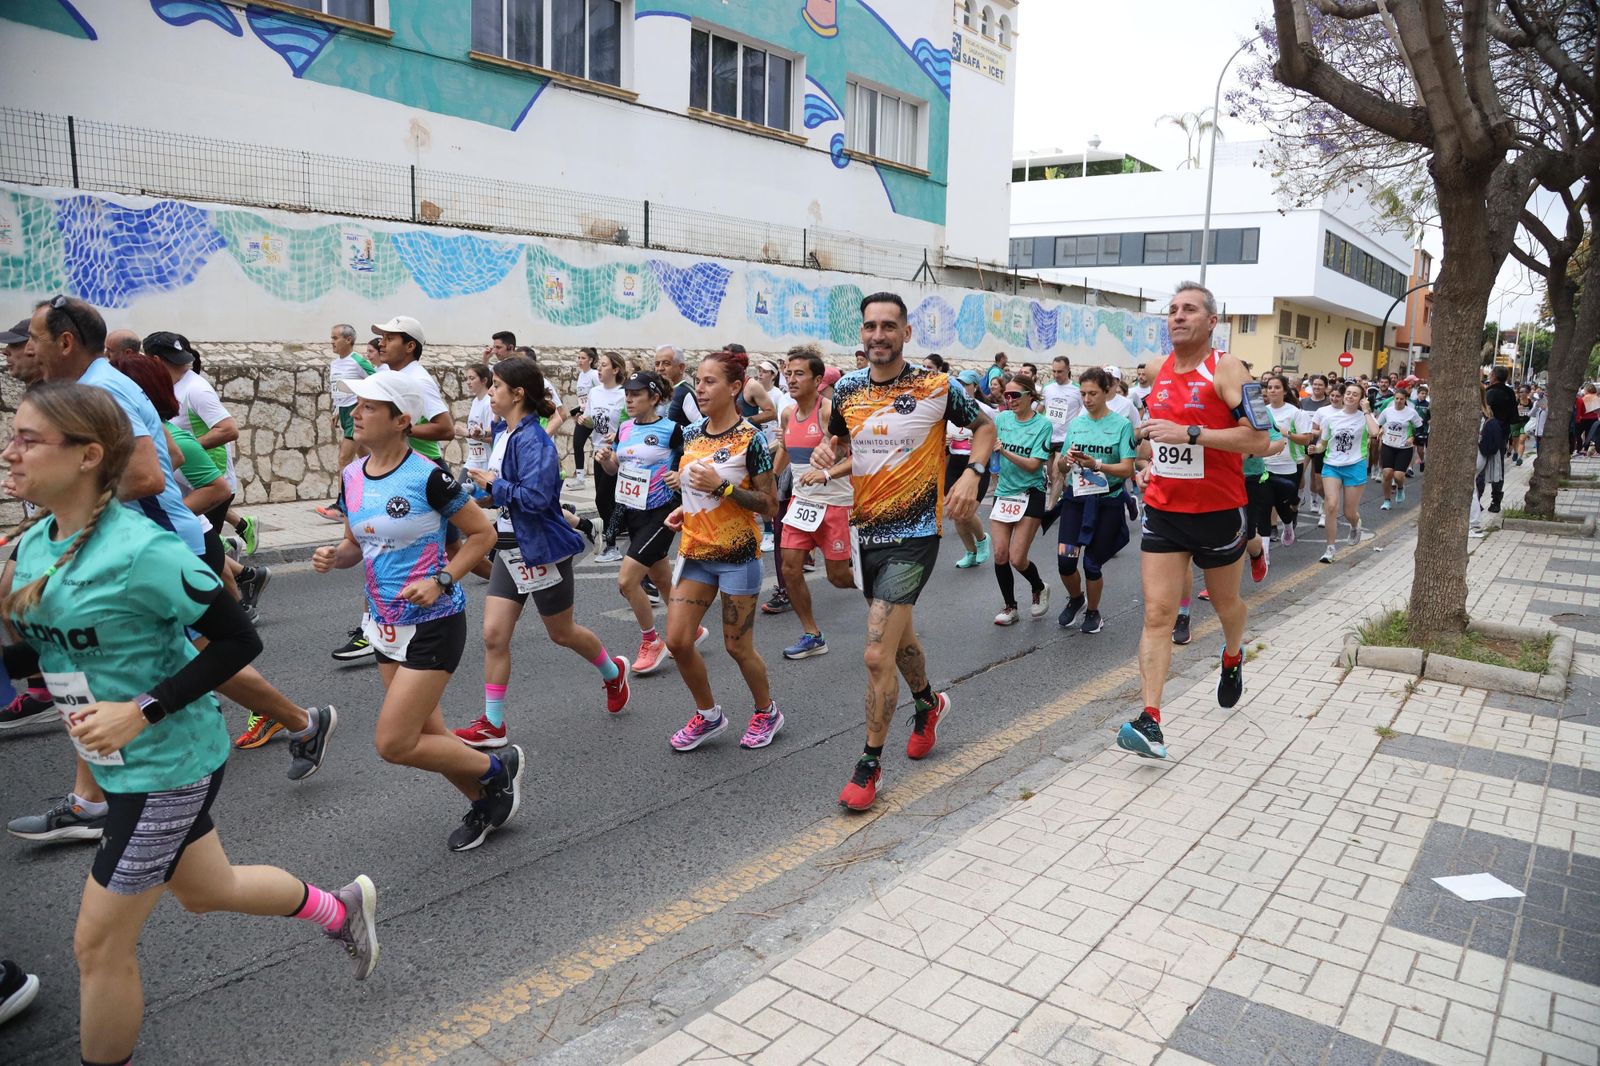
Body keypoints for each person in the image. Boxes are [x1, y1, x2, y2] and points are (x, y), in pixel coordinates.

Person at [2, 383, 379, 1066]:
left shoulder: (143, 550)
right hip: (120, 763)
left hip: (166, 765)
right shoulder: (35, 542)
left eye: (29, 438)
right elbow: (51, 650)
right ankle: (340, 908)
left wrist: (140, 709)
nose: (10, 450)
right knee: (209, 890)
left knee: (98, 945)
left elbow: (237, 641)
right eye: (13, 434)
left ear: (89, 455)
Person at [312, 373, 521, 853]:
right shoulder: (351, 475)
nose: (356, 414)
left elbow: (482, 536)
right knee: (431, 734)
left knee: (395, 742)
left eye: (368, 407)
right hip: (384, 624)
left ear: (401, 420)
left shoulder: (427, 474)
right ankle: (487, 801)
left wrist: (442, 579)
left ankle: (497, 767)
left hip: (435, 622)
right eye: (356, 405)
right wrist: (334, 555)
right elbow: (354, 544)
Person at [810, 293, 994, 810]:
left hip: (914, 536)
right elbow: (845, 443)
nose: (878, 335)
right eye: (870, 326)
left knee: (875, 654)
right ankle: (928, 703)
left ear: (906, 334)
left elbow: (985, 427)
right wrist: (829, 454)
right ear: (862, 333)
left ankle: (868, 765)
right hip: (868, 529)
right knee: (900, 640)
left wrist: (973, 477)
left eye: (889, 326)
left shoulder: (935, 386)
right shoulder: (846, 389)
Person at [1122, 282, 1268, 760]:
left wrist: (1190, 433)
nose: (1178, 317)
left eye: (1190, 310)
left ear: (1211, 322)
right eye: (1172, 310)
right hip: (1165, 511)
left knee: (1227, 605)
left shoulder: (1227, 369)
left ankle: (1232, 655)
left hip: (1219, 511)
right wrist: (1147, 455)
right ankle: (1151, 719)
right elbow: (1159, 441)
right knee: (1158, 614)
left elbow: (1259, 440)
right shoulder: (1158, 370)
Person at [453, 356, 629, 749]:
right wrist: (470, 494)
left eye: (497, 385)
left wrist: (493, 485)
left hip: (542, 548)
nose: (491, 391)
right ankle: (493, 724)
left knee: (561, 633)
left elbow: (534, 498)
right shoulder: (504, 434)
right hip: (509, 546)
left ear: (517, 394)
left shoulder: (536, 442)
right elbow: (499, 494)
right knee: (494, 635)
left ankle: (612, 670)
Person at [660, 350, 782, 752]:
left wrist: (722, 487)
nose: (700, 387)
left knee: (736, 646)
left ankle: (767, 711)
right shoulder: (693, 434)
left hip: (737, 556)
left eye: (710, 381)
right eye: (698, 380)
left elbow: (769, 504)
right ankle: (709, 715)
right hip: (695, 552)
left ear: (734, 388)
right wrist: (684, 505)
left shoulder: (752, 439)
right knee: (677, 641)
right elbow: (698, 488)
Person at [329, 316, 457, 663]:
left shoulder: (417, 380)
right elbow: (354, 548)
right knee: (385, 549)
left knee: (451, 553)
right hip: (387, 467)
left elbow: (446, 428)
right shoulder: (387, 377)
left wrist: (401, 432)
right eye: (380, 337)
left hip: (418, 472)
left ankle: (493, 591)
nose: (381, 343)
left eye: (389, 337)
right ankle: (373, 623)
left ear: (410, 345)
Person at [601, 371, 694, 676]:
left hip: (661, 512)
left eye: (636, 394)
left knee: (627, 581)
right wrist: (605, 460)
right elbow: (616, 469)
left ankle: (651, 641)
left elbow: (691, 461)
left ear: (654, 398)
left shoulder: (672, 429)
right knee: (663, 580)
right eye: (627, 393)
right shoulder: (625, 428)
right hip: (632, 511)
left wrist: (680, 476)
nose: (629, 398)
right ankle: (688, 629)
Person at [770, 346, 854, 660]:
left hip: (835, 502)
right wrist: (771, 479)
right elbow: (787, 450)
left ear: (817, 379)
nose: (790, 379)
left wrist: (827, 474)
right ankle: (812, 634)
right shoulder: (788, 413)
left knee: (839, 577)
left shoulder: (829, 412)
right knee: (789, 568)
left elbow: (856, 457)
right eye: (788, 373)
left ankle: (884, 594)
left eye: (799, 374)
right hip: (802, 503)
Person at [1052, 368, 1136, 634]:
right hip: (1076, 499)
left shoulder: (1121, 425)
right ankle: (1076, 598)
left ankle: (1093, 611)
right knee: (1065, 560)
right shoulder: (1076, 423)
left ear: (1107, 392)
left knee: (1091, 564)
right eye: (1083, 393)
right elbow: (1062, 467)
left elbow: (1127, 469)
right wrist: (1066, 461)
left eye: (1093, 393)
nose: (1087, 399)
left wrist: (1097, 464)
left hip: (1107, 501)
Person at [989, 373, 1053, 625]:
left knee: (1017, 558)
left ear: (1030, 396)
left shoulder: (1043, 425)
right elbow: (985, 437)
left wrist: (1004, 450)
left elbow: (1034, 465)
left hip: (1030, 493)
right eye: (1007, 395)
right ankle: (1010, 607)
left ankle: (1039, 587)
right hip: (1004, 492)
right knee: (1000, 554)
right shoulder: (1002, 419)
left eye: (1015, 395)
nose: (1010, 400)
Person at [1316, 382, 1381, 562]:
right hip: (1332, 465)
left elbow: (1375, 432)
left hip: (1355, 465)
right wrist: (1316, 449)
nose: (1350, 396)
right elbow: (1324, 442)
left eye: (1355, 394)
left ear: (1361, 399)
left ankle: (1354, 524)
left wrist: (1367, 411)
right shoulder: (1330, 418)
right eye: (1348, 393)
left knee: (1349, 512)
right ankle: (1330, 549)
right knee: (1331, 505)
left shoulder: (1365, 417)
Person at [320, 323, 372, 521]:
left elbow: (376, 382)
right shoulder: (335, 364)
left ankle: (342, 505)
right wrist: (335, 410)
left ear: (348, 340)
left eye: (335, 338)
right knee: (366, 457)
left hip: (354, 412)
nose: (331, 342)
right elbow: (338, 390)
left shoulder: (357, 361)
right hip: (342, 411)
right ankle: (372, 492)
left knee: (344, 458)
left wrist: (364, 405)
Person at [946, 369, 996, 568]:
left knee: (965, 513)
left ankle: (982, 539)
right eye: (959, 383)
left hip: (975, 466)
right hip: (954, 466)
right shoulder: (948, 407)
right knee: (956, 513)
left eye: (966, 384)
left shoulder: (986, 410)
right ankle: (970, 552)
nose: (962, 387)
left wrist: (979, 441)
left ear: (975, 386)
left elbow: (993, 435)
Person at [1263, 374, 1314, 543]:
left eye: (1277, 387)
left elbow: (1306, 439)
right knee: (1266, 502)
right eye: (1270, 387)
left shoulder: (1295, 413)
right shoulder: (1262, 412)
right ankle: (1268, 535)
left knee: (1283, 504)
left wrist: (1287, 433)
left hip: (1288, 464)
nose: (1273, 391)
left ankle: (1287, 523)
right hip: (1264, 464)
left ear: (1285, 391)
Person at [1041, 357, 1083, 504]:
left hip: (1065, 438)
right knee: (1052, 475)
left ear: (1068, 370)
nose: (1056, 375)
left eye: (1060, 371)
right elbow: (1040, 410)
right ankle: (1066, 493)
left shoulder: (1077, 390)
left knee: (1057, 472)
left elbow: (1084, 412)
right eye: (1054, 371)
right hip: (1048, 436)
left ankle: (1050, 509)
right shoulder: (1047, 388)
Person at [1377, 386, 1423, 510]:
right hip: (1388, 445)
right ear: (1393, 398)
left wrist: (1412, 437)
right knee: (1387, 474)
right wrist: (1381, 429)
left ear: (1405, 399)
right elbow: (1379, 423)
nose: (1398, 401)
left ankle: (1400, 489)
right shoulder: (1388, 411)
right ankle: (1386, 501)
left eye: (1401, 399)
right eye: (1396, 398)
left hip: (1404, 448)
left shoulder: (1411, 413)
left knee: (1398, 476)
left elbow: (1419, 428)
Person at [568, 347, 600, 484]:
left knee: (599, 445)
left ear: (591, 360)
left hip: (595, 415)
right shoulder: (581, 375)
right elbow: (583, 398)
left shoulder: (594, 375)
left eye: (583, 358)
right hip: (584, 414)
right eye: (578, 358)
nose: (580, 361)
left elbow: (601, 391)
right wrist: (578, 411)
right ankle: (580, 477)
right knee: (577, 443)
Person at [456, 363, 495, 478]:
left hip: (486, 463)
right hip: (473, 460)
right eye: (467, 378)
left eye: (472, 378)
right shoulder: (475, 402)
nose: (468, 382)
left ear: (484, 380)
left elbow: (493, 436)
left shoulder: (488, 403)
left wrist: (467, 433)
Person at [657, 344, 701, 427]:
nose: (660, 368)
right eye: (657, 364)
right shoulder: (658, 392)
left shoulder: (684, 393)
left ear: (681, 367)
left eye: (666, 364)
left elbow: (701, 426)